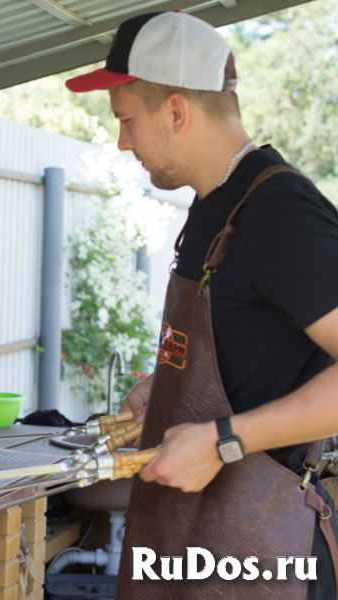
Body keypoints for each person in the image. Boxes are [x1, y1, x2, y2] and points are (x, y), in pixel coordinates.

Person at [66, 10, 338, 600]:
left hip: (259, 556)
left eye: (127, 120)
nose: (122, 140)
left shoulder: (280, 213)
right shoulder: (216, 206)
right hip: (190, 549)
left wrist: (226, 440)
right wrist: (164, 389)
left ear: (176, 111)